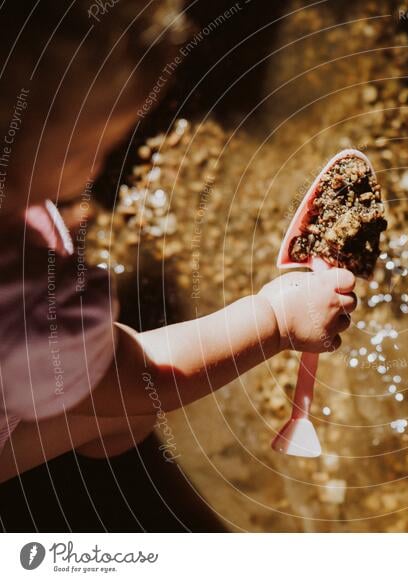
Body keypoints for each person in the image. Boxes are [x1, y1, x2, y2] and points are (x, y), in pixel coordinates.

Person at [0, 1, 356, 483]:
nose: (99, 168)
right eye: (93, 150)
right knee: (129, 414)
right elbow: (143, 379)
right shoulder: (26, 300)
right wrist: (276, 319)